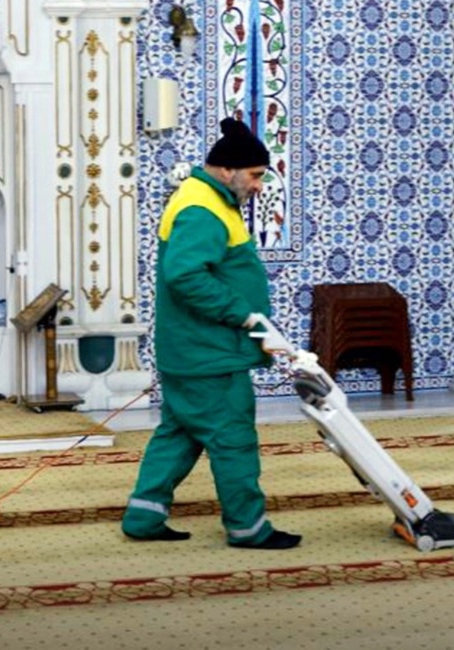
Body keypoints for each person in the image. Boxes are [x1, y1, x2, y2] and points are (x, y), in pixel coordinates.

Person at [121, 118, 302, 550]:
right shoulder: (201, 208)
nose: (258, 185)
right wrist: (242, 314)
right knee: (232, 439)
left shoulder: (206, 198)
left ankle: (143, 517)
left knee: (179, 434)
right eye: (255, 175)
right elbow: (184, 275)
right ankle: (248, 528)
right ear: (226, 169)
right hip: (209, 354)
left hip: (190, 350)